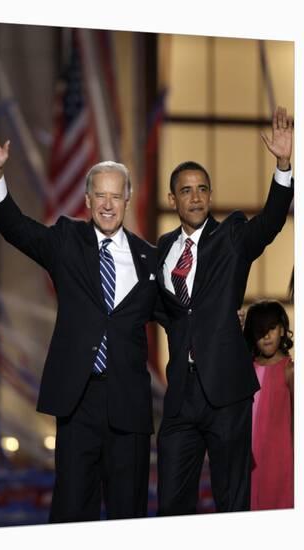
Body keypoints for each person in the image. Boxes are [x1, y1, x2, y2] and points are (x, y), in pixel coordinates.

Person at [0, 126, 159, 523]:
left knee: (130, 515)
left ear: (128, 199)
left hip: (129, 403)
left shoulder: (149, 259)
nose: (108, 205)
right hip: (78, 400)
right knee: (73, 511)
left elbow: (180, 315)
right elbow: (16, 228)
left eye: (115, 196)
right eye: (100, 196)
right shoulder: (67, 240)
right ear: (88, 200)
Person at [155, 106, 294, 515]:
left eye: (202, 189)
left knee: (232, 502)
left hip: (228, 394)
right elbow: (164, 309)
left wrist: (283, 166)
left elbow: (269, 222)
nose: (195, 197)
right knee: (171, 505)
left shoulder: (232, 235)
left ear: (210, 196)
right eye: (186, 190)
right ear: (172, 199)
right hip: (181, 395)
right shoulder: (162, 248)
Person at [243, 300, 294, 510]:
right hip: (251, 456)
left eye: (271, 328)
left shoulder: (290, 371)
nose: (266, 336)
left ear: (282, 330)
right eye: (260, 330)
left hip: (282, 456)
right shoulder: (247, 369)